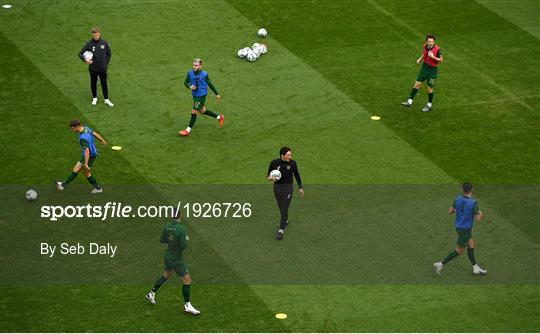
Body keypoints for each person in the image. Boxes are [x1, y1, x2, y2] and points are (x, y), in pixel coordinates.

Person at [145, 212, 200, 315]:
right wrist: (187, 239)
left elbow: (162, 240)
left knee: (167, 275)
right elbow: (183, 246)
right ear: (180, 216)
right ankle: (187, 305)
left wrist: (172, 239)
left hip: (168, 256)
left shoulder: (166, 226)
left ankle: (151, 293)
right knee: (187, 280)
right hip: (176, 259)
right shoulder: (182, 229)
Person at [434, 182, 487, 275]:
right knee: (459, 250)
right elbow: (478, 219)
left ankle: (475, 267)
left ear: (462, 190)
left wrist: (457, 209)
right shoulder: (473, 203)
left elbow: (450, 211)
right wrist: (481, 213)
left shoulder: (457, 198)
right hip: (465, 230)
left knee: (471, 245)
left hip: (458, 227)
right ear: (472, 190)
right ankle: (440, 263)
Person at [55, 119, 105, 193]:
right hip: (90, 154)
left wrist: (85, 163)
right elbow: (94, 133)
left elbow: (87, 151)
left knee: (87, 173)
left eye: (73, 128)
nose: (72, 130)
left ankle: (98, 188)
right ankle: (62, 185)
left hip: (89, 156)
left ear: (77, 126)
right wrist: (102, 140)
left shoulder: (82, 138)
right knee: (76, 170)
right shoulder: (86, 128)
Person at [178, 58, 224, 136]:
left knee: (194, 111)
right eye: (193, 65)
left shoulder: (204, 74)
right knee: (203, 111)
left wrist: (217, 94)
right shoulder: (190, 73)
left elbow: (210, 84)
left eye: (196, 65)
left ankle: (187, 130)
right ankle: (219, 117)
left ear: (200, 66)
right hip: (195, 95)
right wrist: (190, 87)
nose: (194, 67)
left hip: (201, 95)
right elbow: (185, 82)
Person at [267, 146, 304, 240]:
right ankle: (285, 220)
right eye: (288, 155)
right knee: (281, 207)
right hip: (277, 188)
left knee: (284, 208)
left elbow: (297, 175)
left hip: (288, 188)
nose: (290, 156)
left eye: (290, 154)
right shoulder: (274, 163)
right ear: (282, 155)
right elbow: (268, 176)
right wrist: (270, 178)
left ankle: (281, 230)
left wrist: (300, 188)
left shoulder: (293, 163)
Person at [401, 34, 443, 112]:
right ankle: (409, 101)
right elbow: (424, 53)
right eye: (429, 41)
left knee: (429, 88)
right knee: (417, 84)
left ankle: (429, 104)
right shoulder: (424, 46)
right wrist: (420, 59)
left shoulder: (437, 49)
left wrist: (433, 57)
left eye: (432, 41)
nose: (431, 43)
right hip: (424, 68)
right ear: (426, 41)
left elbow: (441, 60)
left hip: (432, 70)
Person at [79, 27, 114, 107]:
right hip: (93, 68)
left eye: (97, 35)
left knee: (104, 83)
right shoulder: (89, 44)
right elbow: (80, 54)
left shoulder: (104, 43)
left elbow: (109, 54)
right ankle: (94, 98)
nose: (95, 37)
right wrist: (85, 60)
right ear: (92, 35)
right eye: (94, 35)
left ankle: (106, 99)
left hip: (102, 68)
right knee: (93, 83)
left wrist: (105, 63)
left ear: (100, 34)